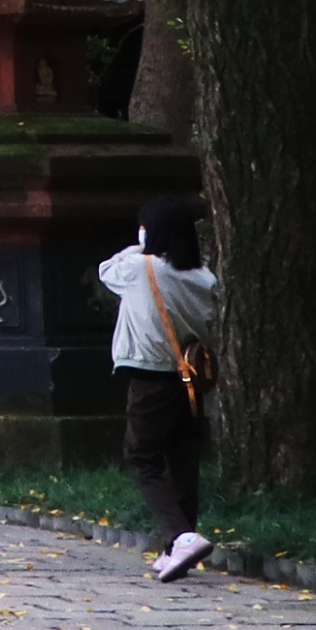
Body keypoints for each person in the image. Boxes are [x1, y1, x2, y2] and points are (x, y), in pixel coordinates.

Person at [100, 198, 220, 582]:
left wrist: (141, 244)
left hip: (150, 376)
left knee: (142, 454)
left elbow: (107, 271)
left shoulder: (140, 268)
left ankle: (181, 536)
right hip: (190, 378)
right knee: (183, 456)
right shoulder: (204, 277)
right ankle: (177, 548)